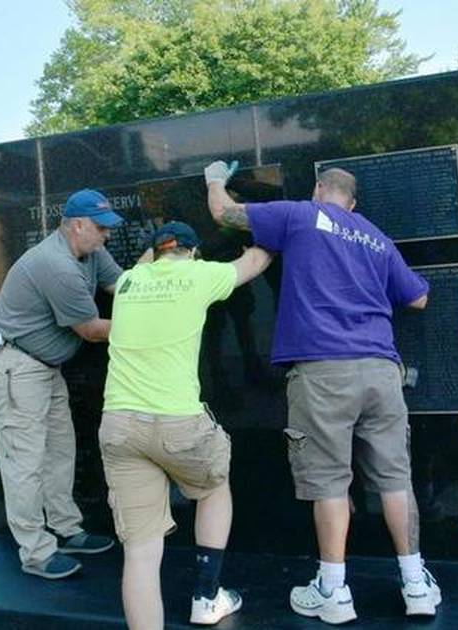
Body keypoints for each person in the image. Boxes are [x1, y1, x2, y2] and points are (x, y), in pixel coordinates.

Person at [205, 161, 439, 624]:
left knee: (330, 482)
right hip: (380, 369)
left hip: (322, 371)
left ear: (318, 191)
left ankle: (333, 590)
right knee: (395, 478)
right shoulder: (375, 236)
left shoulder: (299, 215)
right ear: (352, 203)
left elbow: (224, 214)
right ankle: (416, 584)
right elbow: (418, 298)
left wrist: (214, 178)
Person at [100, 221, 271, 628]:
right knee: (214, 487)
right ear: (193, 252)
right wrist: (269, 235)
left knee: (140, 551)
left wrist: (156, 248)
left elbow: (148, 264)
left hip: (119, 427)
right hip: (178, 423)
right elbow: (255, 261)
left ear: (154, 252)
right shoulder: (199, 274)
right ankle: (206, 597)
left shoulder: (127, 283)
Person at [0, 188, 123, 579]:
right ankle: (35, 551)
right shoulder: (55, 265)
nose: (106, 235)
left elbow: (122, 286)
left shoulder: (91, 251)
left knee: (61, 448)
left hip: (47, 365)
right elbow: (93, 330)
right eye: (100, 228)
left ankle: (65, 526)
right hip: (15, 364)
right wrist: (154, 323)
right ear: (77, 226)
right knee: (24, 461)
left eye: (108, 228)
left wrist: (161, 285)